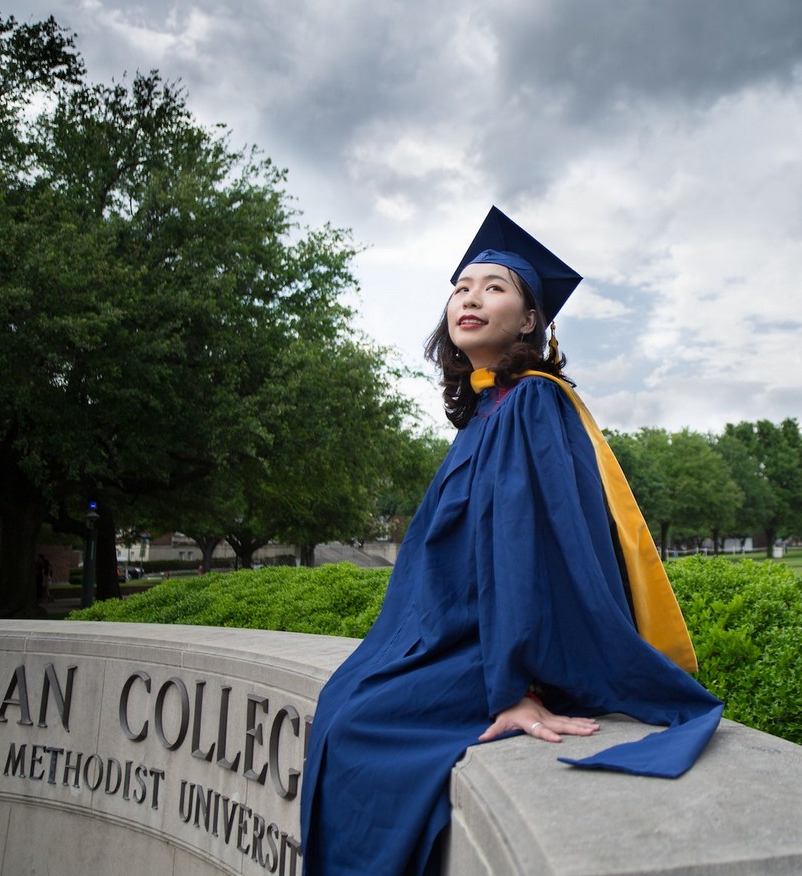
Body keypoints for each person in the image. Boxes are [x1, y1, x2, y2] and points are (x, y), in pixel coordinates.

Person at [299, 207, 723, 875]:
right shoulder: (485, 413)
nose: (470, 297)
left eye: (494, 286)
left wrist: (513, 685)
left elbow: (526, 552)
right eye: (463, 286)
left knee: (361, 727)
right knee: (343, 700)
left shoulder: (531, 403)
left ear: (530, 320)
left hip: (490, 647)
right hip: (457, 634)